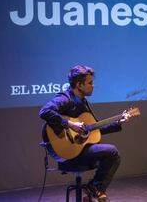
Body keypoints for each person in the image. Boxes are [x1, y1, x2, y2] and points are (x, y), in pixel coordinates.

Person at [39, 65, 129, 202]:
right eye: (90, 83)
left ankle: (94, 188)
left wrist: (118, 123)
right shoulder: (64, 98)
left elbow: (94, 130)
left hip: (80, 148)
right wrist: (71, 124)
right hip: (66, 151)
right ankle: (95, 188)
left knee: (111, 153)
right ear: (79, 85)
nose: (93, 86)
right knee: (112, 152)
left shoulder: (83, 102)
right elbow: (44, 111)